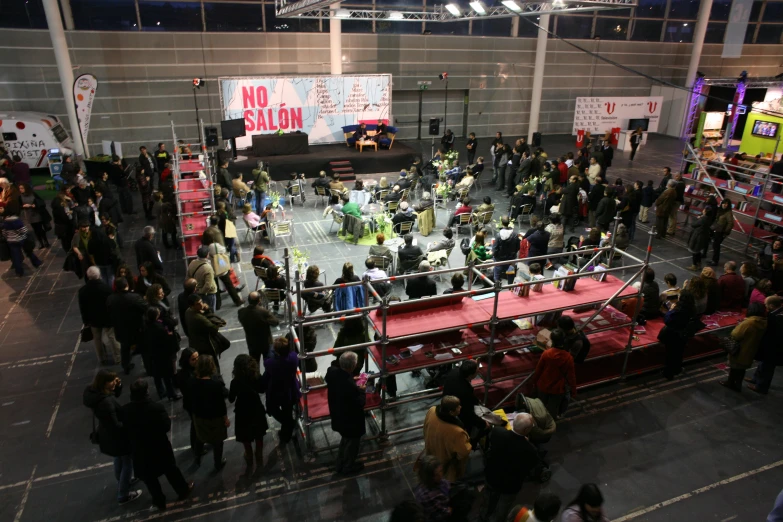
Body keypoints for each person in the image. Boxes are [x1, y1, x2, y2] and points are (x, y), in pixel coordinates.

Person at [123, 378, 193, 510]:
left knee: (150, 479)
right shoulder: (156, 408)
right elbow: (166, 426)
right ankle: (182, 490)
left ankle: (159, 501)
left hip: (140, 450)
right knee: (171, 470)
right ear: (146, 392)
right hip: (159, 446)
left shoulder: (125, 410)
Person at [82, 370, 141, 505]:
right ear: (103, 383)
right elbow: (116, 424)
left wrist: (117, 386)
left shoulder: (94, 393)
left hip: (106, 435)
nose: (114, 383)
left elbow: (115, 394)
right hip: (117, 437)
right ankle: (123, 494)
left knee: (118, 458)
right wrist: (129, 424)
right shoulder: (106, 403)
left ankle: (121, 481)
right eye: (112, 381)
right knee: (127, 462)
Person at [480, 414, 541, 522]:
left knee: (487, 500)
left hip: (492, 476)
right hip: (510, 486)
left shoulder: (497, 432)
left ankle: (483, 517)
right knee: (502, 508)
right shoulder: (530, 450)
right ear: (526, 429)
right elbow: (530, 467)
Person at [324, 351, 367, 474]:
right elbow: (359, 403)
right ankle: (348, 467)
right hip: (351, 420)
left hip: (338, 415)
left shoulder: (332, 373)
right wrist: (362, 391)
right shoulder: (349, 385)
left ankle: (340, 463)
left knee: (345, 441)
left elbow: (334, 371)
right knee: (352, 444)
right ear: (353, 366)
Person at [229, 354, 268, 469]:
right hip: (256, 408)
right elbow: (262, 389)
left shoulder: (235, 382)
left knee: (246, 437)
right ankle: (259, 455)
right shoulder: (255, 377)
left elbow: (231, 399)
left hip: (242, 411)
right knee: (259, 435)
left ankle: (249, 456)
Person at [190, 356, 229, 471]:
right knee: (218, 441)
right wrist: (225, 418)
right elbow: (221, 404)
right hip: (215, 417)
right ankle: (218, 463)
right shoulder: (215, 384)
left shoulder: (192, 381)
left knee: (200, 437)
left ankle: (197, 458)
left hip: (199, 416)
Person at [263, 337, 301, 453]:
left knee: (272, 409)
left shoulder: (270, 363)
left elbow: (267, 361)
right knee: (287, 410)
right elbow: (293, 354)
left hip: (276, 389)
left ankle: (287, 425)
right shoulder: (293, 358)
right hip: (290, 389)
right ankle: (287, 431)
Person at [422, 396, 472, 482]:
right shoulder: (457, 431)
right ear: (451, 412)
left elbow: (425, 428)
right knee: (444, 479)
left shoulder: (432, 410)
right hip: (445, 461)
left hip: (431, 449)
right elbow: (463, 452)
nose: (460, 407)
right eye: (458, 407)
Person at [721, 301, 767, 392]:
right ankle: (738, 384)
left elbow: (735, 334)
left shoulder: (749, 323)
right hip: (751, 349)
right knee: (742, 369)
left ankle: (731, 383)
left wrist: (739, 325)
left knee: (735, 368)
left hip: (740, 349)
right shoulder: (763, 322)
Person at [79, 266, 121, 365]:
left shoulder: (82, 291)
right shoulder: (106, 288)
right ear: (99, 275)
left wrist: (86, 321)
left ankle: (102, 358)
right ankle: (118, 357)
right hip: (107, 318)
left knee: (97, 339)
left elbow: (82, 308)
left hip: (93, 319)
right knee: (112, 337)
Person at [107, 277, 147, 374]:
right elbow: (145, 308)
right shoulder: (134, 297)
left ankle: (126, 366)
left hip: (120, 329)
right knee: (144, 349)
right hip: (136, 328)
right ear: (127, 285)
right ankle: (147, 366)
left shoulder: (110, 299)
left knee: (124, 349)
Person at [142, 307, 181, 401]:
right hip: (163, 355)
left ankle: (161, 392)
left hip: (152, 355)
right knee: (167, 376)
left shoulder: (145, 326)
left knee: (157, 376)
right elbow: (166, 342)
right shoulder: (160, 328)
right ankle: (171, 394)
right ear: (157, 315)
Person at [747, 296, 783, 394]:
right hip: (772, 345)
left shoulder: (776, 317)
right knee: (762, 364)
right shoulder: (776, 314)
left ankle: (761, 387)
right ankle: (755, 379)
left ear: (771, 305)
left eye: (766, 304)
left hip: (774, 347)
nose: (765, 306)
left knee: (767, 367)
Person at [442, 360, 485, 439]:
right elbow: (468, 413)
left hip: (448, 400)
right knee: (467, 426)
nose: (478, 371)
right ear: (471, 375)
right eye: (476, 371)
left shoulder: (454, 372)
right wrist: (483, 423)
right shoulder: (464, 391)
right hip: (456, 411)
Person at [659, 288, 697, 380]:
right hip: (684, 334)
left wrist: (670, 311)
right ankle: (677, 368)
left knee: (670, 354)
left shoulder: (678, 310)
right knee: (679, 352)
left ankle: (668, 373)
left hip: (673, 334)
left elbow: (668, 320)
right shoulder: (692, 308)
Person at [238, 291, 280, 365]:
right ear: (259, 300)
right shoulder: (263, 312)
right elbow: (275, 322)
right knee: (268, 363)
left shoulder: (241, 312)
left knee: (254, 364)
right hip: (265, 342)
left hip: (252, 342)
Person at [413, 455, 453, 522]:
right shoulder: (425, 495)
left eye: (441, 471)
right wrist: (450, 510)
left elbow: (446, 484)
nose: (441, 476)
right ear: (429, 477)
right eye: (436, 474)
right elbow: (441, 514)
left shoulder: (438, 481)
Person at [184, 294, 221, 362]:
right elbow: (214, 328)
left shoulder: (188, 311)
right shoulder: (199, 318)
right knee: (212, 362)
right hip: (205, 345)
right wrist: (208, 311)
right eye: (198, 304)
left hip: (194, 343)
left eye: (201, 302)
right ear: (192, 306)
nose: (201, 305)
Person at [18, 184, 51, 249]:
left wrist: (35, 205)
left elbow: (41, 202)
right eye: (20, 188)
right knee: (35, 229)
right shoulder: (20, 197)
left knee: (40, 228)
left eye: (22, 188)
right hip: (29, 214)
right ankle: (40, 242)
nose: (21, 190)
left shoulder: (33, 194)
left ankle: (46, 241)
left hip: (37, 213)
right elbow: (19, 205)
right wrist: (23, 206)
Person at [186, 245, 218, 311]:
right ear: (207, 255)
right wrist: (202, 292)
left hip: (196, 291)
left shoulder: (192, 262)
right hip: (208, 294)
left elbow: (188, 277)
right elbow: (208, 285)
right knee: (210, 311)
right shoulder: (208, 268)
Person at [493, 217, 520, 282]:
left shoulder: (498, 235)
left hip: (499, 260)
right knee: (511, 275)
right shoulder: (515, 234)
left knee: (497, 276)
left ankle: (497, 289)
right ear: (509, 222)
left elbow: (495, 249)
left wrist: (495, 256)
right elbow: (518, 247)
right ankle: (510, 288)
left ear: (501, 223)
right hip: (511, 259)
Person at [685, 207, 712, 271]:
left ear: (705, 212)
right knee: (698, 251)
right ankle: (699, 263)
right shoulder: (708, 219)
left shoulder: (703, 219)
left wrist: (699, 219)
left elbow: (693, 224)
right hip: (703, 236)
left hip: (698, 236)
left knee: (694, 251)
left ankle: (694, 265)